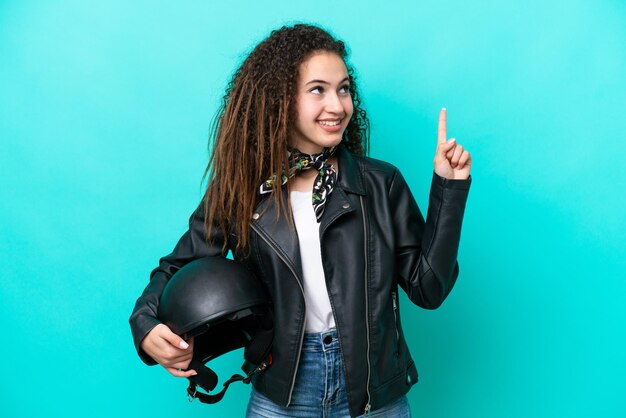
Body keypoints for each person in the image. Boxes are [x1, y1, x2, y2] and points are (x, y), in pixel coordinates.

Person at [129, 23, 472, 418]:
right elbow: (180, 265)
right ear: (280, 100)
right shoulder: (241, 187)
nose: (338, 105)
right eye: (318, 90)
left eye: (344, 89)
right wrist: (146, 326)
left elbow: (428, 289)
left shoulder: (380, 183)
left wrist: (450, 190)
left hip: (373, 390)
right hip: (284, 387)